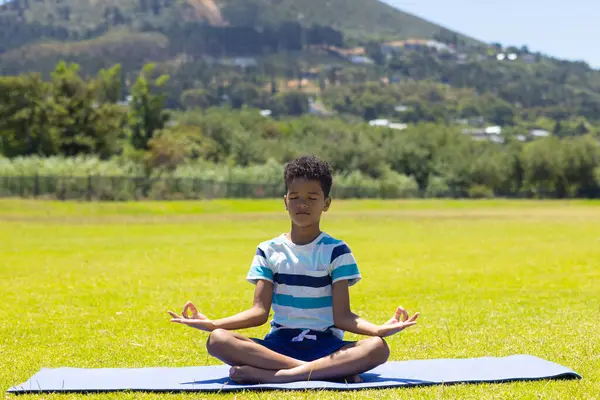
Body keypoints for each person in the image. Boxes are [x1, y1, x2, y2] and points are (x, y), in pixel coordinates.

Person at [168, 155, 419, 384]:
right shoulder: (268, 250)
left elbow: (343, 317)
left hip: (327, 346)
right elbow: (259, 313)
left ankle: (279, 376)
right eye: (295, 197)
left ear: (326, 203)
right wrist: (213, 323)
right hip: (278, 347)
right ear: (285, 201)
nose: (302, 204)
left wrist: (379, 329)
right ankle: (322, 371)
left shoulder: (337, 251)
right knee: (218, 340)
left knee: (377, 347)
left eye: (312, 198)